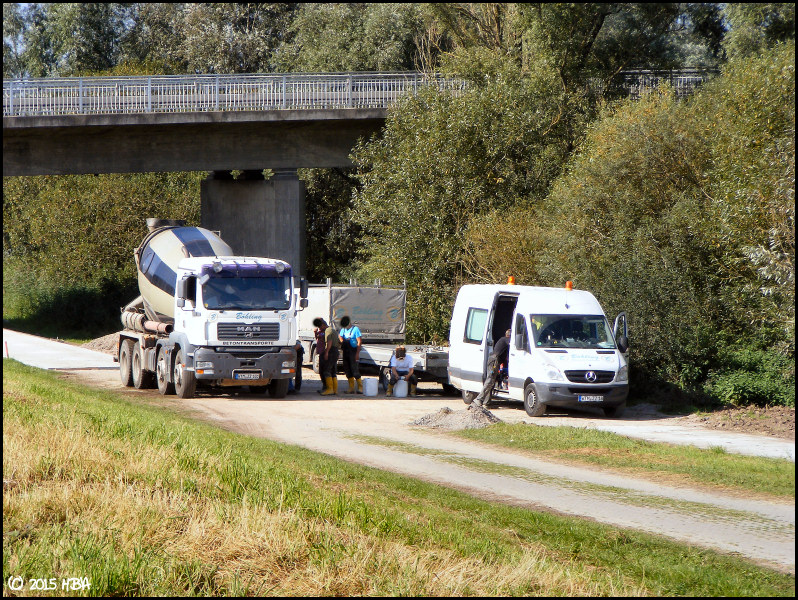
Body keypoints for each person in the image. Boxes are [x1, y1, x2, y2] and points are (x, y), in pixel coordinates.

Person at [473, 329, 511, 408]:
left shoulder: (503, 340)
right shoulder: (505, 339)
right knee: (490, 380)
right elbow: (513, 344)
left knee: (492, 380)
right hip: (494, 361)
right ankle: (479, 399)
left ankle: (486, 402)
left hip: (494, 360)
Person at [312, 317, 340, 396]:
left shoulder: (328, 330)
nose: (319, 328)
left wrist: (326, 352)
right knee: (332, 371)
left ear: (323, 324)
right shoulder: (328, 330)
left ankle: (329, 389)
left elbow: (329, 341)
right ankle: (334, 390)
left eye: (320, 326)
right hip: (332, 351)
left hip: (330, 351)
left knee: (327, 371)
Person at [338, 315, 363, 394]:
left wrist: (357, 353)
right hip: (345, 352)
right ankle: (351, 388)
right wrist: (341, 340)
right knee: (347, 369)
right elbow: (340, 336)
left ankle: (360, 387)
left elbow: (359, 341)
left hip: (353, 352)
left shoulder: (355, 329)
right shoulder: (343, 329)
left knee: (354, 369)